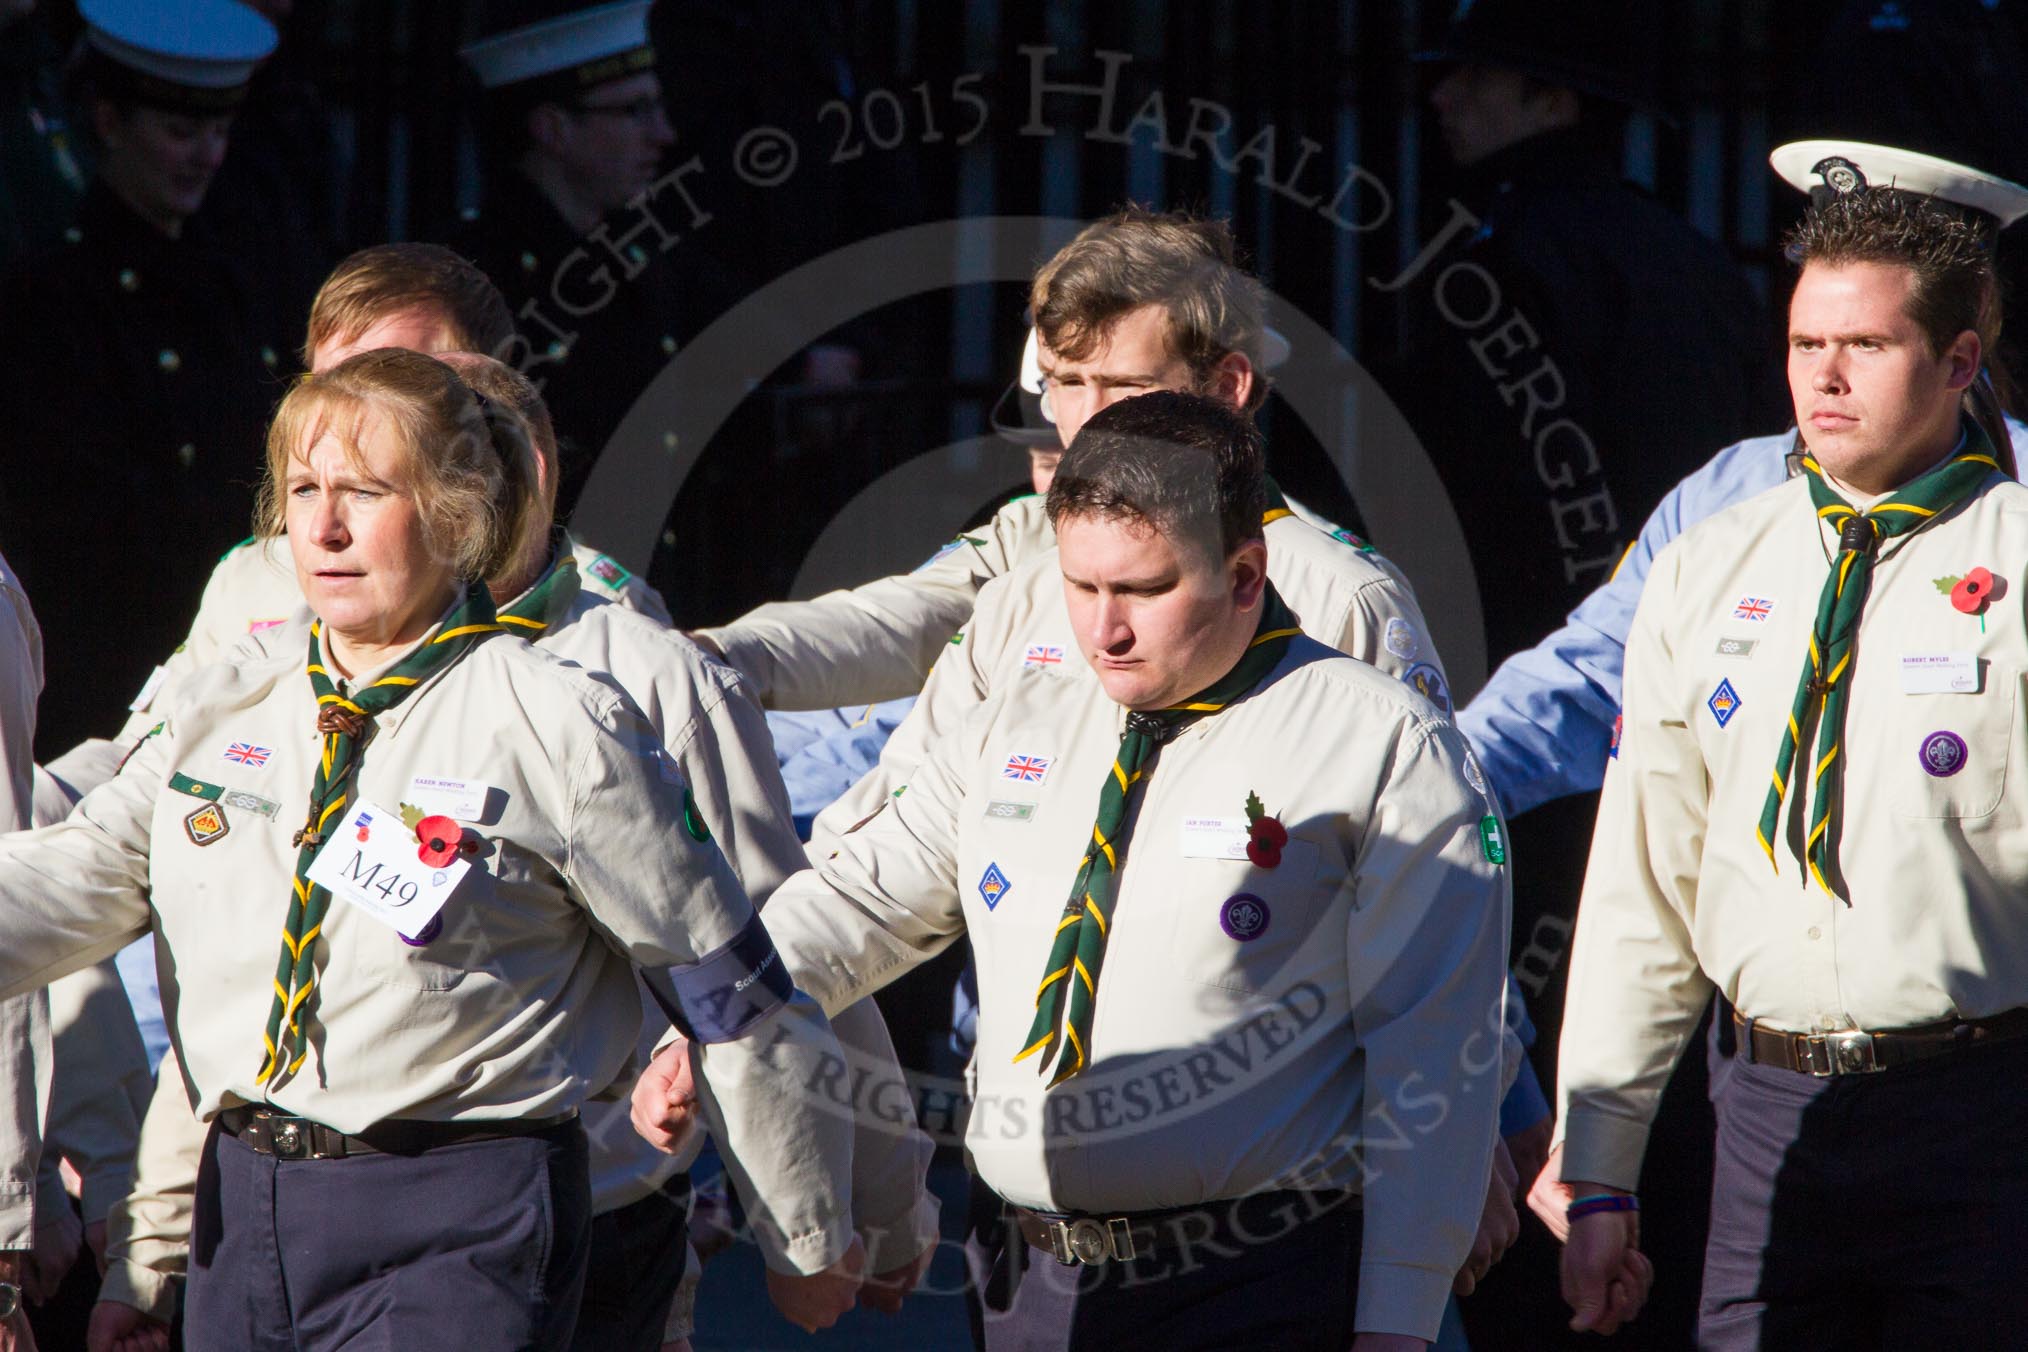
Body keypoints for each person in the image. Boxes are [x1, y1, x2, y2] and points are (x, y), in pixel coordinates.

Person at [0, 349, 864, 1347]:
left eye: (365, 492)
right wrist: (155, 1249)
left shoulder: (555, 721)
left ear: (455, 512)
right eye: (304, 490)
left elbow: (729, 988)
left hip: (459, 1216)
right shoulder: (229, 702)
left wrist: (803, 1229)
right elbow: (73, 879)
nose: (322, 528)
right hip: (243, 1209)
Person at [639, 391, 1514, 1349]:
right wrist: (718, 1011)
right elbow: (859, 902)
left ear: (1247, 573)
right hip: (1030, 1281)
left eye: (1143, 589)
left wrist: (1399, 1319)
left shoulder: (1383, 741)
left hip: (1263, 1278)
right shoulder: (1021, 718)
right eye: (1081, 586)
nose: (1106, 629)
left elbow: (1433, 1047)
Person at [1550, 184, 2028, 1347]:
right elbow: (1642, 882)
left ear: (1960, 358)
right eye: (1807, 344)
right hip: (1765, 1104)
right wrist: (1600, 1166)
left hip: (1981, 1105)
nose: (1825, 377)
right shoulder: (1709, 562)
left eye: (1866, 345)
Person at [42, 241, 669, 808]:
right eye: (329, 385)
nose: (349, 416)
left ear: (490, 387)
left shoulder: (602, 621)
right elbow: (141, 762)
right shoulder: (257, 579)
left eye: (395, 380)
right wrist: (33, 802)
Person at [0, 0, 297, 760]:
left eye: (218, 132)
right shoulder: (52, 299)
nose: (204, 155)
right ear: (109, 123)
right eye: (179, 131)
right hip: (104, 681)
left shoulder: (234, 279)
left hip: (231, 663)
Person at [450, 0, 750, 514]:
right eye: (634, 111)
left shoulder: (648, 250)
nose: (663, 134)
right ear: (553, 129)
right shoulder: (479, 273)